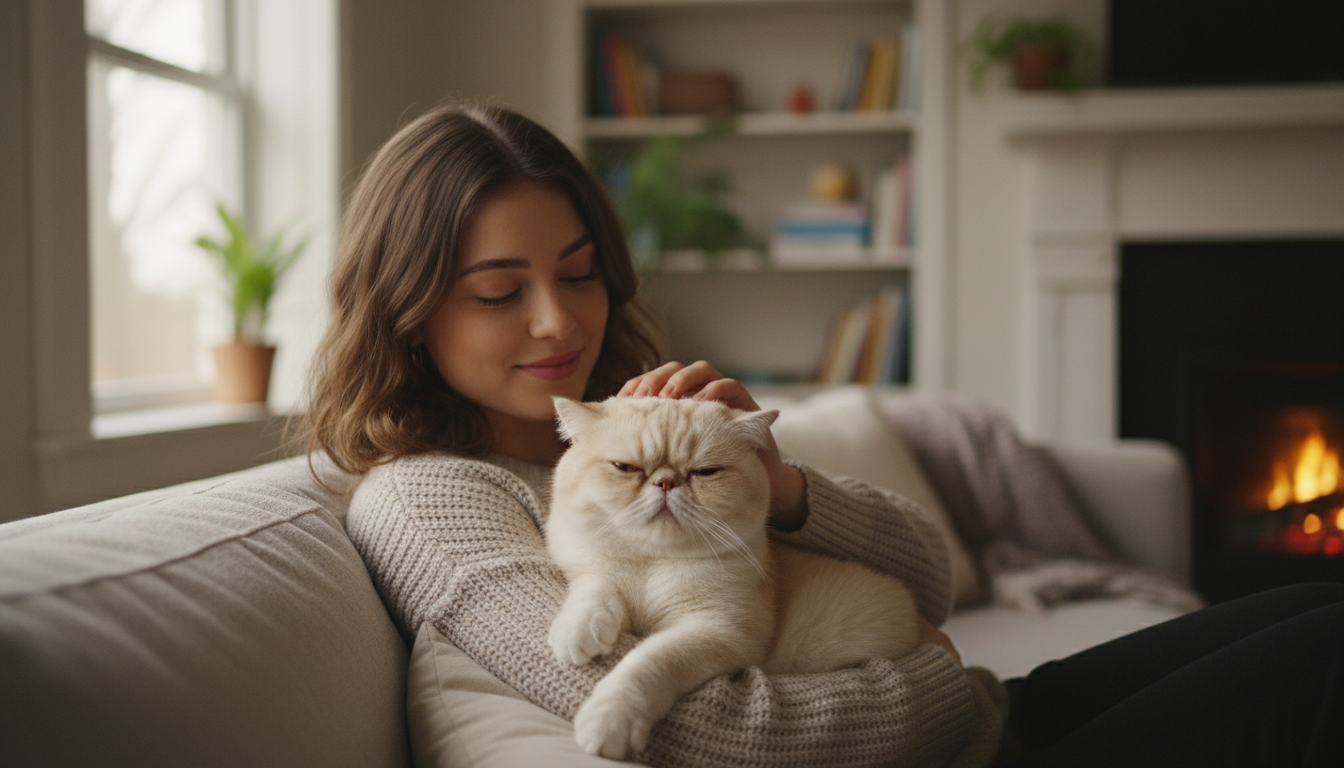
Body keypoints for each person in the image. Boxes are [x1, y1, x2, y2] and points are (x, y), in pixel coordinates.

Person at [304, 102, 1344, 767]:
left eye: (579, 273)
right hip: (955, 732)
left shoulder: (642, 417)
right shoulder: (427, 495)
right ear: (406, 307)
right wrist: (937, 683)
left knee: (1310, 601)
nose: (559, 321)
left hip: (985, 714)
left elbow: (929, 583)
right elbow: (696, 729)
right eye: (499, 290)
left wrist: (779, 485)